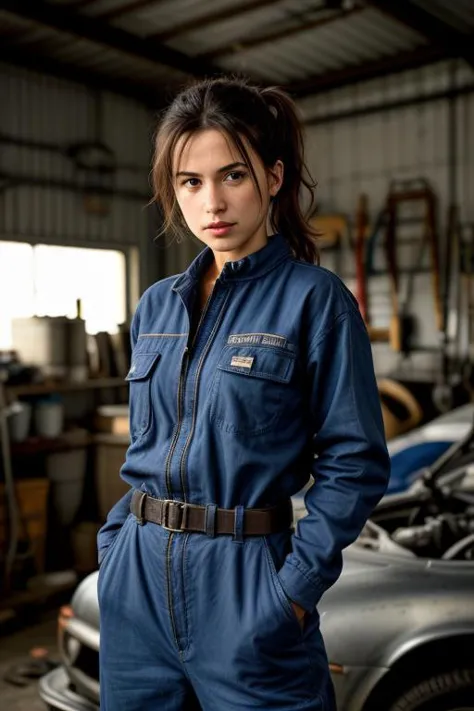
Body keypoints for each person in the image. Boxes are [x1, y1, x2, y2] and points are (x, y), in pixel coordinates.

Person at [97, 76, 390, 711]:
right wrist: (115, 544)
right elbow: (148, 446)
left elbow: (355, 462)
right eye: (190, 182)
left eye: (233, 175)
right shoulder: (155, 307)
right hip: (136, 585)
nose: (212, 203)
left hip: (248, 587)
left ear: (274, 177)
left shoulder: (316, 302)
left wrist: (291, 590)